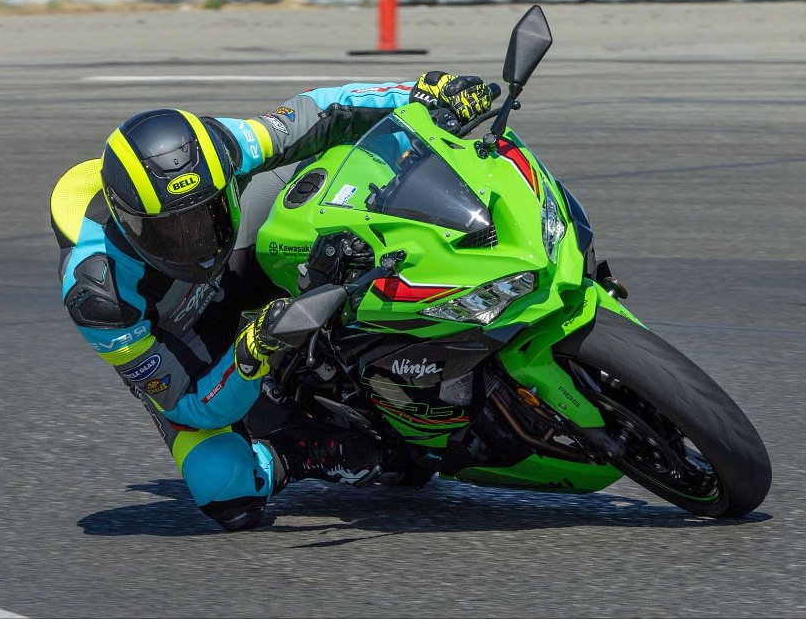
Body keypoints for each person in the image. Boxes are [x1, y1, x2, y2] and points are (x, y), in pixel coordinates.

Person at [50, 72, 493, 530]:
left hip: (244, 252)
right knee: (224, 488)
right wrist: (253, 350)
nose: (197, 241)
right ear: (127, 221)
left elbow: (321, 111)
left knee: (345, 164)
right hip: (188, 336)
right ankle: (301, 452)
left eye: (206, 214)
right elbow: (187, 404)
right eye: (172, 231)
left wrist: (419, 94)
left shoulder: (218, 148)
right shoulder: (99, 298)